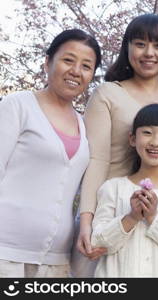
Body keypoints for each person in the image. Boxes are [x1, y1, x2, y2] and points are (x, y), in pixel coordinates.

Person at [75, 14, 158, 276]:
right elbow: (97, 160)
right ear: (127, 47)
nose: (149, 53)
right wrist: (86, 220)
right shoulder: (107, 94)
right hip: (110, 213)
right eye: (140, 44)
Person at [0, 29, 101, 277]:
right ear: (47, 62)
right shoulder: (17, 106)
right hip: (6, 252)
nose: (76, 71)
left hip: (56, 260)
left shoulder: (84, 124)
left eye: (86, 66)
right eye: (68, 60)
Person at [91, 104, 158, 277]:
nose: (155, 142)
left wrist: (153, 217)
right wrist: (131, 218)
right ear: (133, 139)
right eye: (147, 133)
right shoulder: (113, 188)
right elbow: (98, 242)